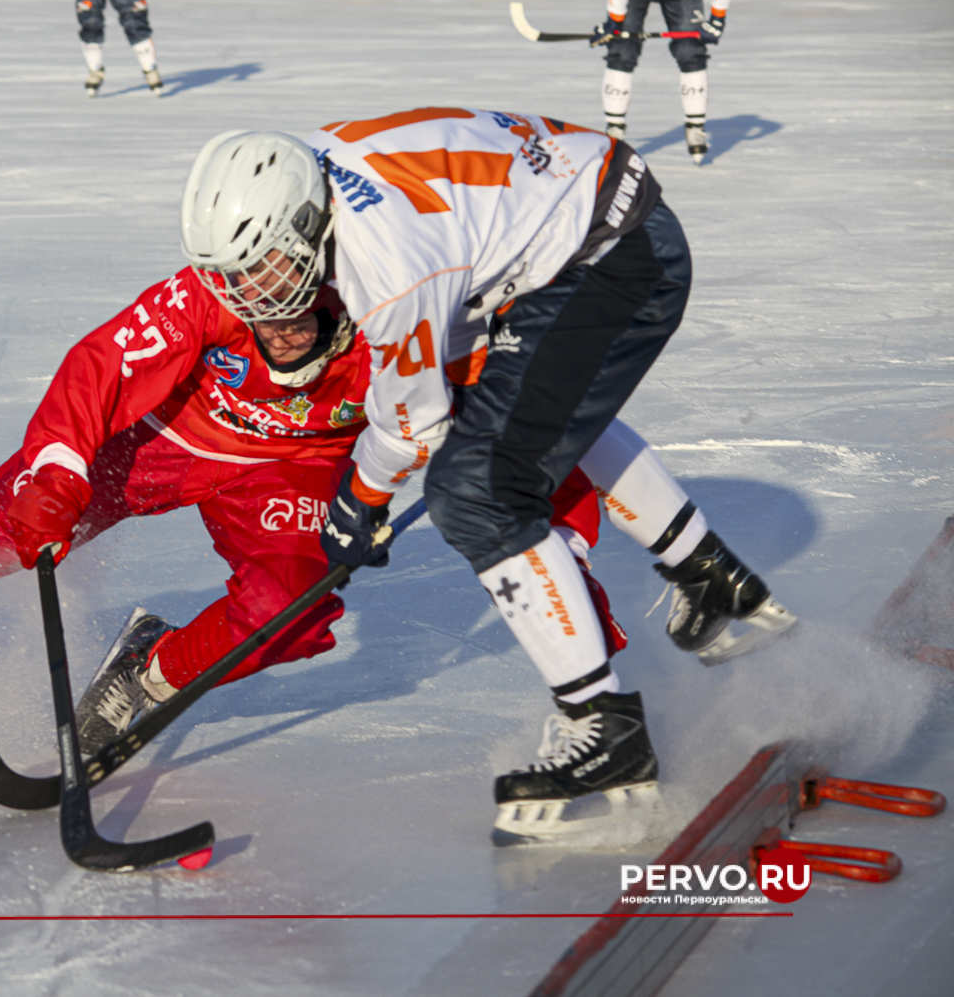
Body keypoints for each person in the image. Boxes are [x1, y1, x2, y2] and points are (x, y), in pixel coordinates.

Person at [178, 116, 795, 843]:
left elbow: (412, 424)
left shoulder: (387, 267)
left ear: (306, 221)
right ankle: (710, 575)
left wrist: (359, 500)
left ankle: (605, 733)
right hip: (577, 222)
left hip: (612, 256)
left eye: (266, 265)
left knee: (475, 491)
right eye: (233, 275)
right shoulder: (309, 165)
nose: (250, 293)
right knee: (533, 409)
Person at [0, 248, 637, 757]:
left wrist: (580, 581)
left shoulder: (408, 312)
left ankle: (146, 674)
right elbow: (100, 366)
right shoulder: (209, 289)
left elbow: (543, 450)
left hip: (294, 471)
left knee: (287, 604)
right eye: (262, 313)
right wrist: (59, 473)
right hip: (169, 439)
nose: (283, 328)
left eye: (301, 310)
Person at [595, 0, 734, 164]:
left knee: (690, 51)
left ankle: (695, 127)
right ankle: (615, 130)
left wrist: (718, 17)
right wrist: (615, 19)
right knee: (622, 50)